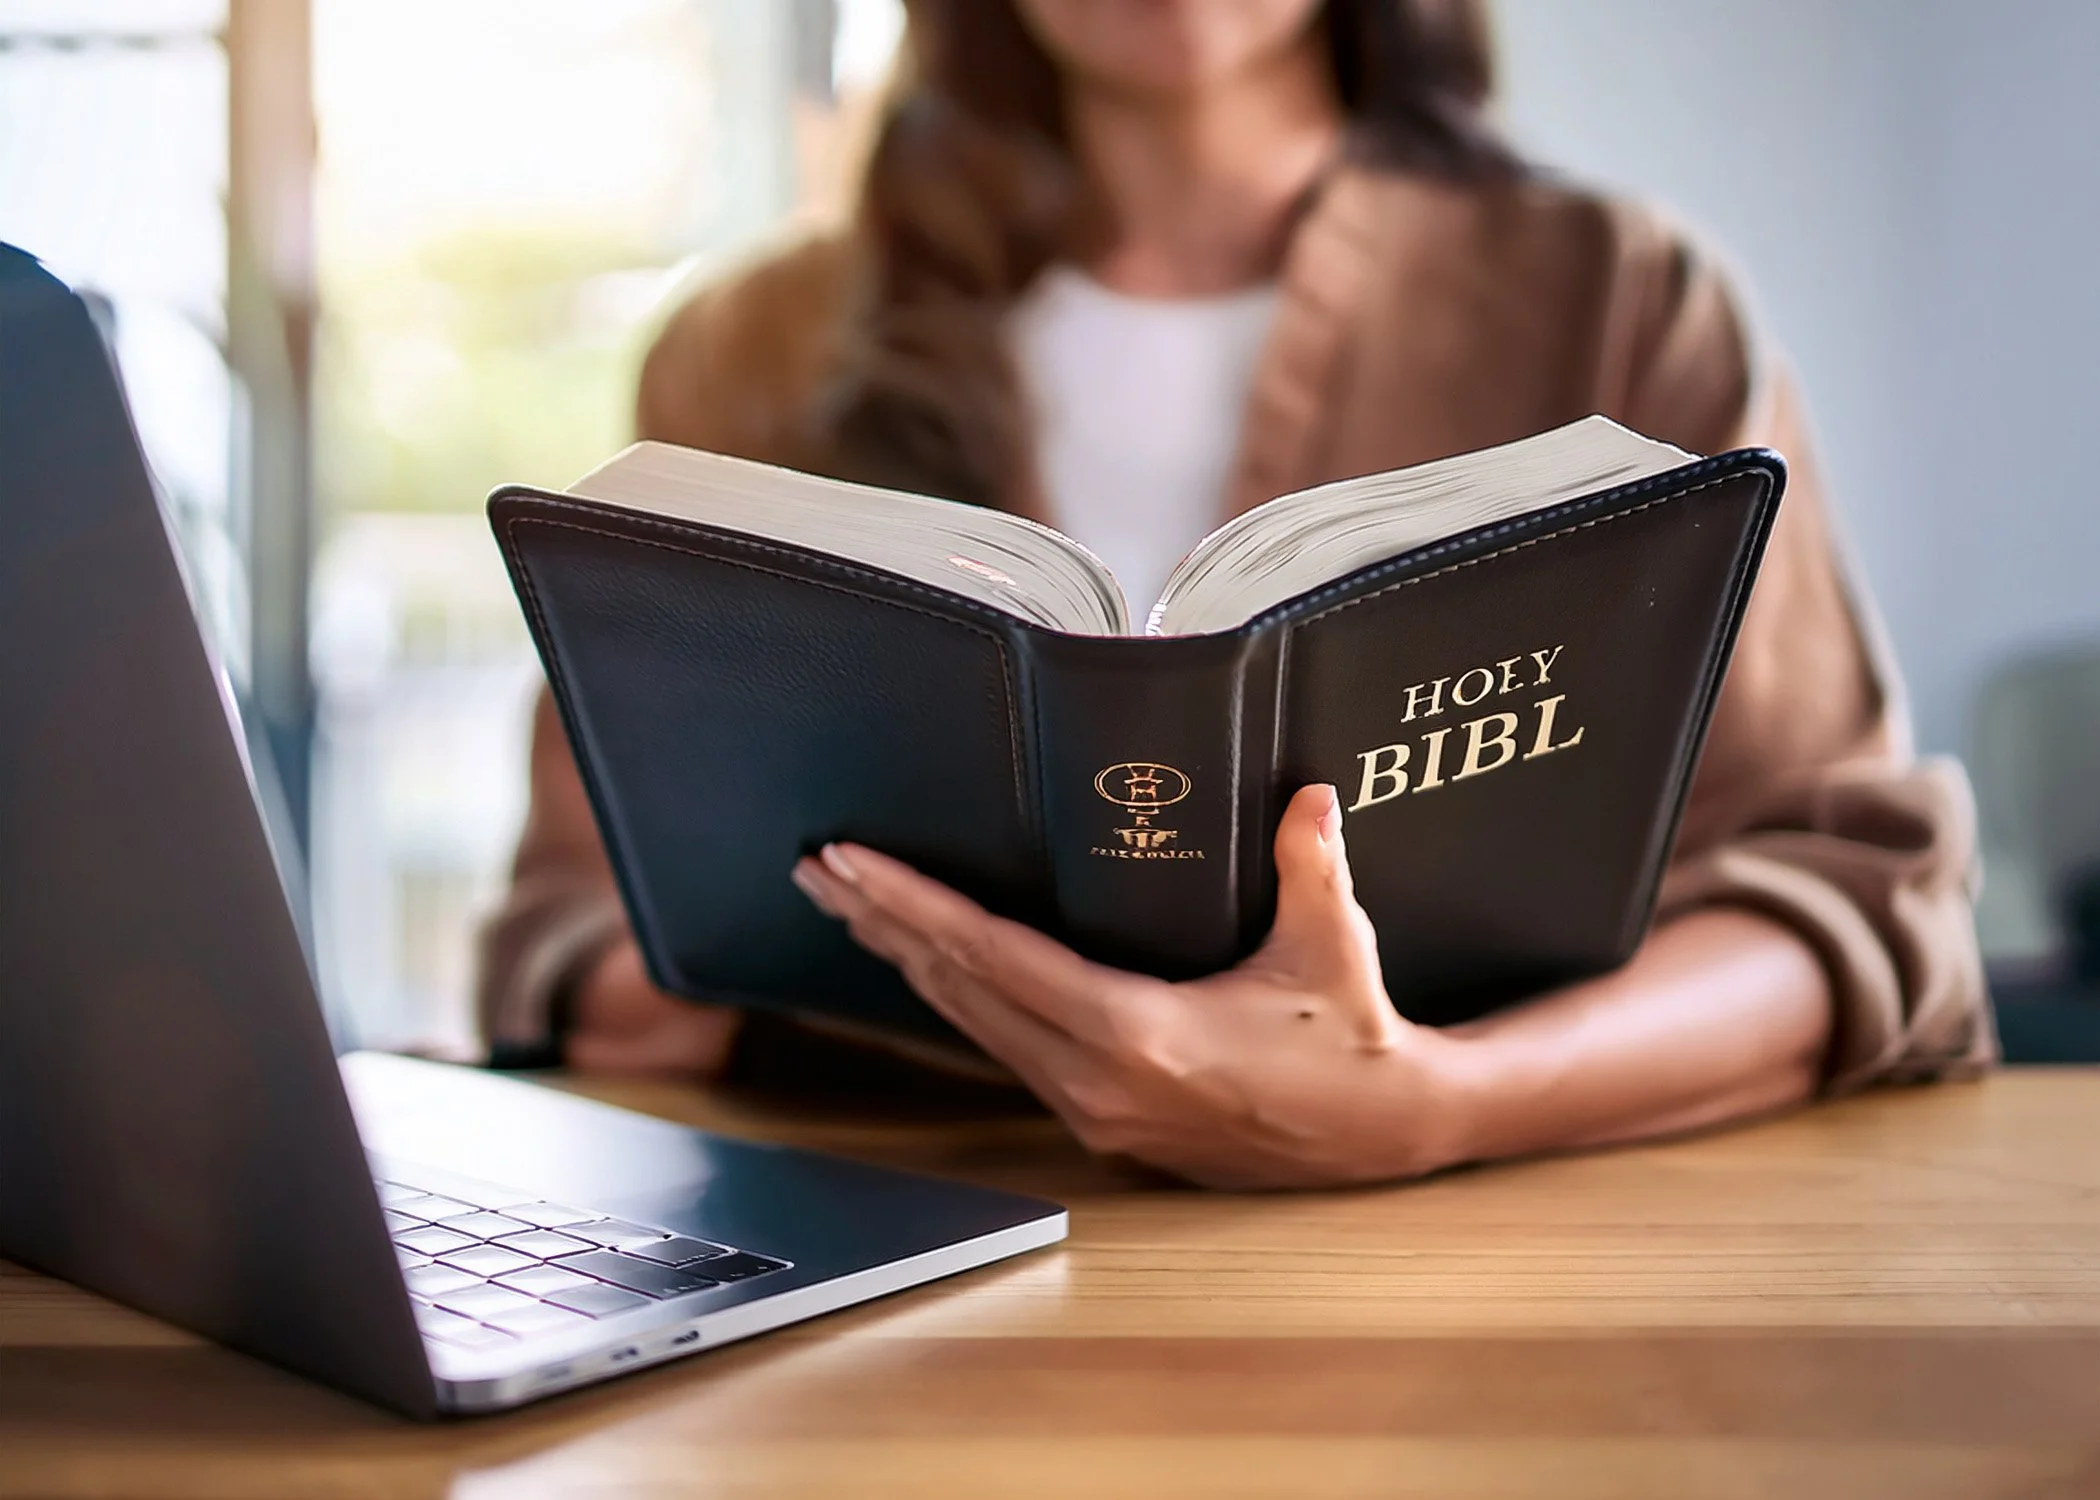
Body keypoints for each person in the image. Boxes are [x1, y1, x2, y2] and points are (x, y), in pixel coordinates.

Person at [478, 0, 1993, 1188]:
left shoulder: (1621, 296)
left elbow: (1849, 894)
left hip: (1494, 1266)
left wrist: (1437, 1105)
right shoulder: (753, 346)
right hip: (903, 1266)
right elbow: (572, 925)